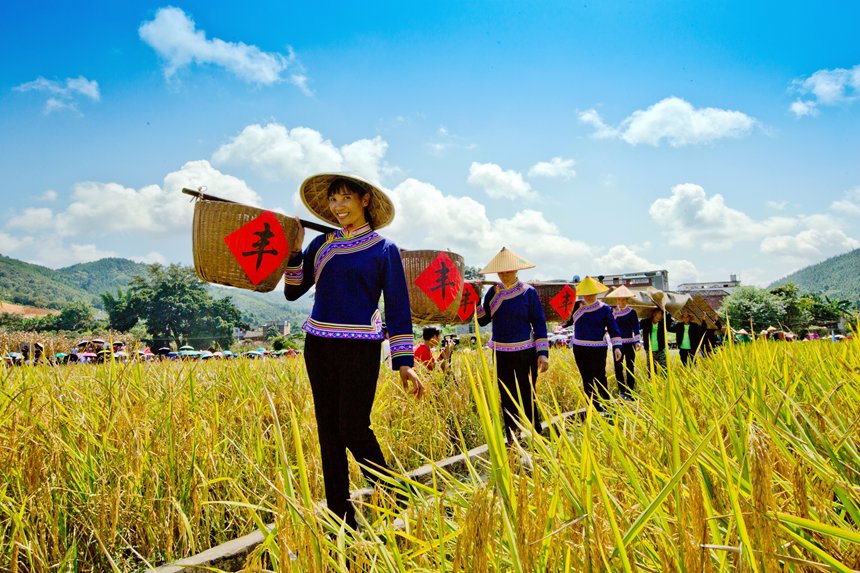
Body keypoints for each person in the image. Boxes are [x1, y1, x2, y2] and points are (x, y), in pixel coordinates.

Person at [284, 173, 424, 530]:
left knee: (353, 426)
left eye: (345, 198)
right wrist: (296, 252)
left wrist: (404, 361)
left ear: (364, 201)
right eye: (333, 201)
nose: (338, 206)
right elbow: (293, 292)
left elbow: (396, 305)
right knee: (328, 432)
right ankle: (340, 517)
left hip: (360, 346)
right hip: (319, 344)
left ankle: (396, 496)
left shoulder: (383, 249)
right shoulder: (322, 245)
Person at [475, 247, 549, 443]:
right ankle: (513, 438)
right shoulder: (492, 292)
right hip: (501, 353)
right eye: (500, 271)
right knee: (507, 396)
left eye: (508, 270)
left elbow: (539, 322)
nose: (504, 274)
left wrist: (542, 353)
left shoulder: (528, 293)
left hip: (526, 352)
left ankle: (536, 435)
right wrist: (476, 298)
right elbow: (483, 320)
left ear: (516, 271)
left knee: (528, 394)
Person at [567, 276, 622, 412]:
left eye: (592, 294)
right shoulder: (577, 307)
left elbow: (613, 328)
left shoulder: (605, 309)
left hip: (598, 348)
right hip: (580, 348)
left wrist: (617, 346)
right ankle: (592, 407)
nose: (589, 297)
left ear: (596, 293)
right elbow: (564, 321)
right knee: (586, 378)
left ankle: (607, 406)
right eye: (586, 294)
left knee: (600, 377)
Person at [605, 285, 641, 400]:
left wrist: (637, 341)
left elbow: (636, 327)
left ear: (627, 300)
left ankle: (630, 392)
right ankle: (622, 391)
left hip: (629, 343)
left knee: (630, 367)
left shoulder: (632, 312)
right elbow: (609, 326)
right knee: (618, 368)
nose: (620, 301)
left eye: (623, 299)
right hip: (617, 345)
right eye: (618, 299)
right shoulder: (612, 312)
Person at [640, 307, 672, 373]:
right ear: (654, 314)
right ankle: (652, 382)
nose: (661, 316)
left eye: (662, 314)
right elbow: (636, 326)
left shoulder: (663, 323)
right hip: (649, 350)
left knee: (665, 368)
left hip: (660, 349)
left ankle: (665, 381)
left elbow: (669, 319)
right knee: (651, 369)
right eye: (659, 313)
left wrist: (665, 310)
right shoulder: (645, 322)